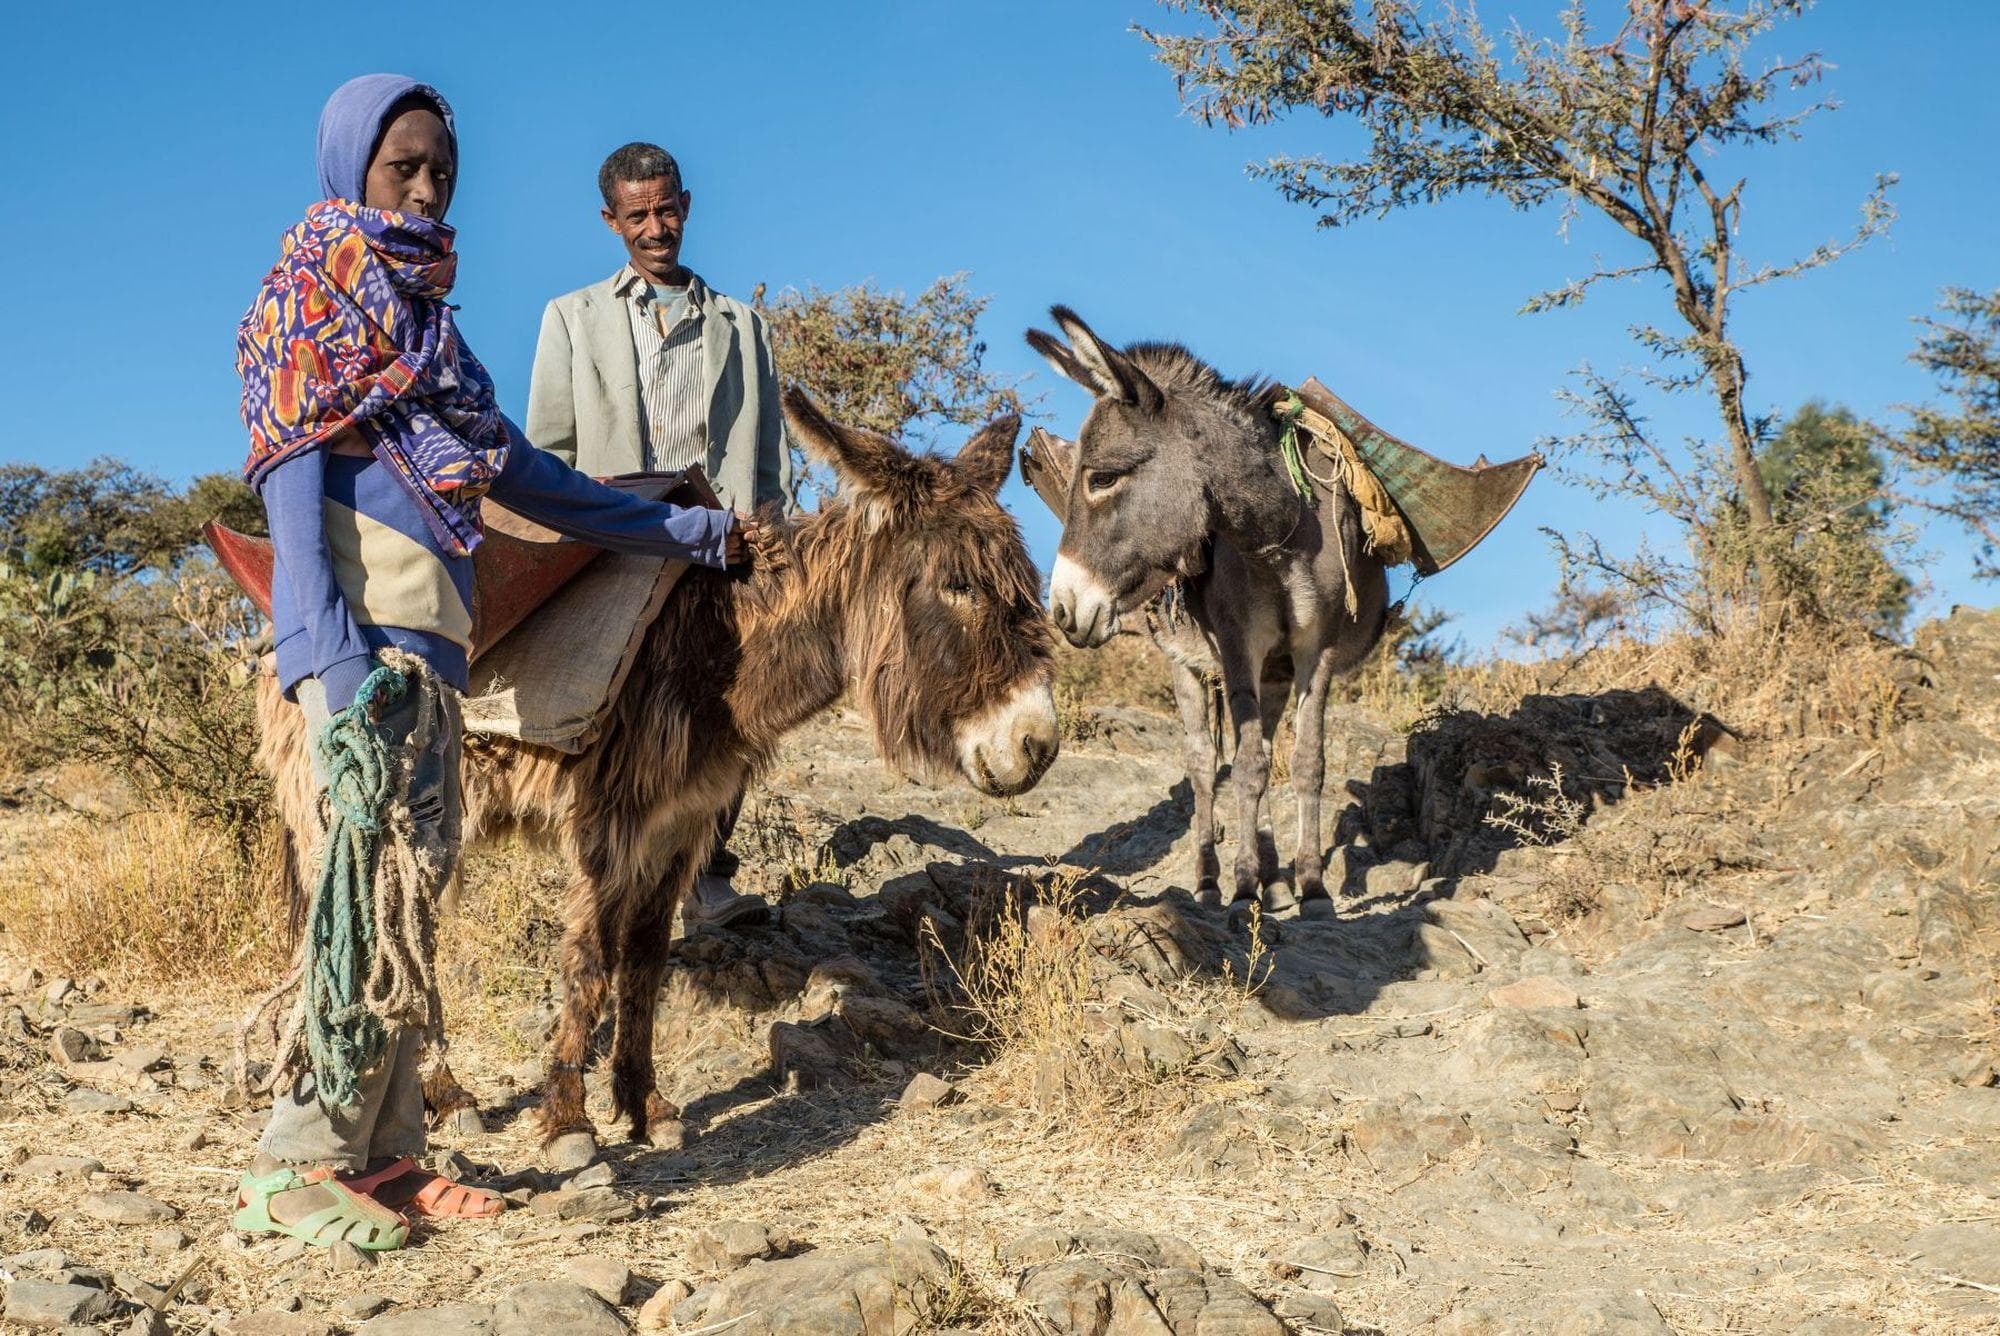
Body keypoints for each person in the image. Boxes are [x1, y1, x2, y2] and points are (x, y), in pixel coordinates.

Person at [232, 74, 754, 1252]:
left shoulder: (432, 337)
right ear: (349, 167)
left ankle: (390, 1156)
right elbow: (290, 493)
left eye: (440, 172)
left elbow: (533, 480)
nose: (424, 188)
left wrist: (685, 528)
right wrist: (324, 670)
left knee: (414, 906)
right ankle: (295, 1166)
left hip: (437, 666)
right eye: (399, 168)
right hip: (360, 662)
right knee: (355, 911)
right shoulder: (307, 299)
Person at [526, 141, 791, 930]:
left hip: (726, 547)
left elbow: (767, 457)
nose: (657, 226)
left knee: (732, 704)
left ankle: (707, 876)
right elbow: (551, 451)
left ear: (687, 203)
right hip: (622, 545)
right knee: (625, 709)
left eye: (667, 208)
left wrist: (766, 533)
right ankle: (612, 874)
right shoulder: (571, 318)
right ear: (610, 220)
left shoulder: (742, 326)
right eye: (638, 214)